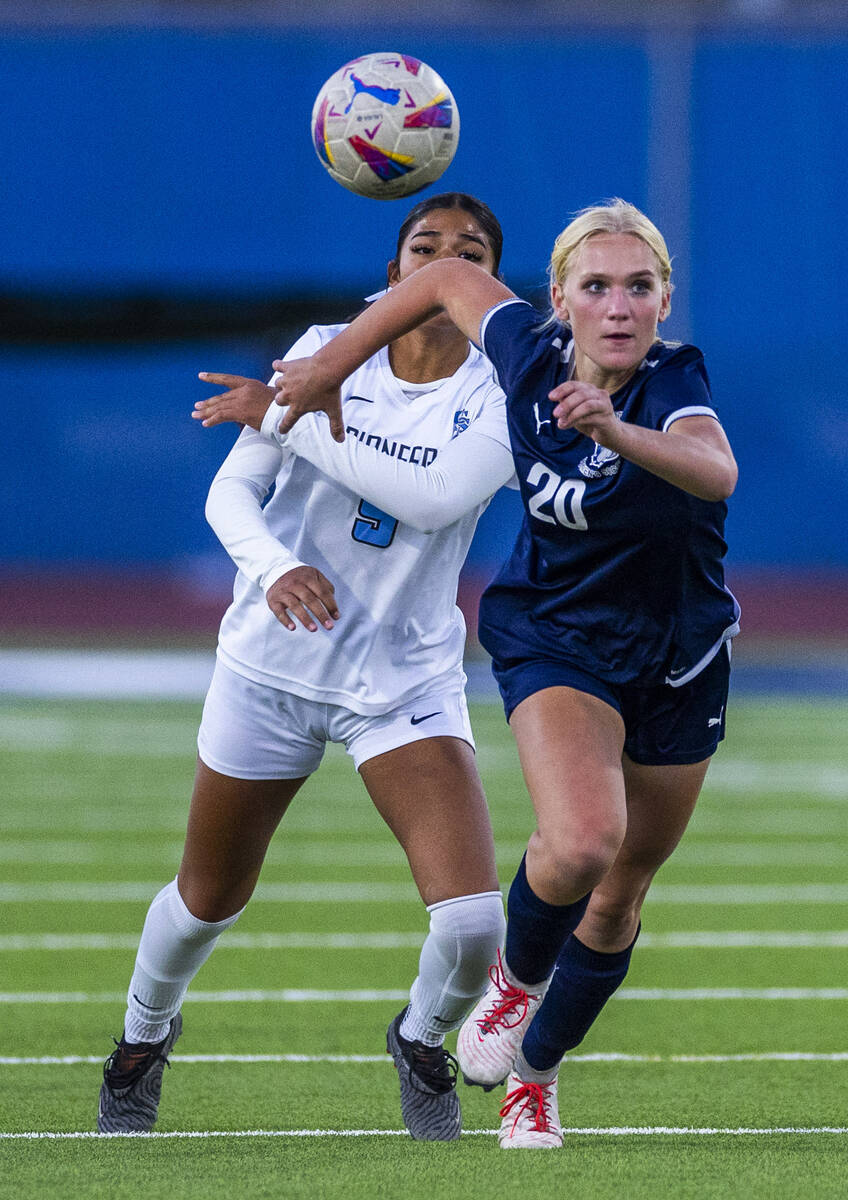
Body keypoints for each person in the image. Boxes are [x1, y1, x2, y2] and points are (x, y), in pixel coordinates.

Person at [246, 198, 740, 1150]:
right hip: (555, 633)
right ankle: (511, 989)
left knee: (623, 891)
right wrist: (326, 366)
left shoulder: (676, 379)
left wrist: (614, 431)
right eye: (595, 287)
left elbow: (713, 471)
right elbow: (433, 281)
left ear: (664, 301)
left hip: (680, 655)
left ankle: (537, 1078)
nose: (619, 306)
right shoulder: (522, 345)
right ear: (558, 299)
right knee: (586, 840)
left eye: (639, 287)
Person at [96, 193, 522, 1142]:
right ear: (392, 273)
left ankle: (420, 1040)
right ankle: (141, 1038)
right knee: (209, 899)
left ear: (487, 286)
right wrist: (279, 564)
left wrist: (292, 419)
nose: (443, 262)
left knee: (469, 927)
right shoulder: (330, 344)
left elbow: (432, 494)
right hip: (270, 671)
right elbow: (230, 496)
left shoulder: (502, 386)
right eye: (424, 246)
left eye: (469, 253)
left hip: (401, 685)